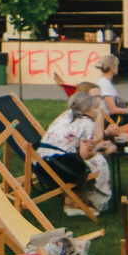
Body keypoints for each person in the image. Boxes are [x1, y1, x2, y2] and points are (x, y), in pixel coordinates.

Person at [35, 87, 115, 218]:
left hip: (42, 161)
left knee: (88, 158)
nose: (98, 111)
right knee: (98, 160)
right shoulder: (86, 123)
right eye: (95, 108)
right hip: (59, 166)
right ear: (85, 110)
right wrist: (98, 148)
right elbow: (84, 155)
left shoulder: (66, 115)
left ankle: (74, 201)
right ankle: (90, 203)